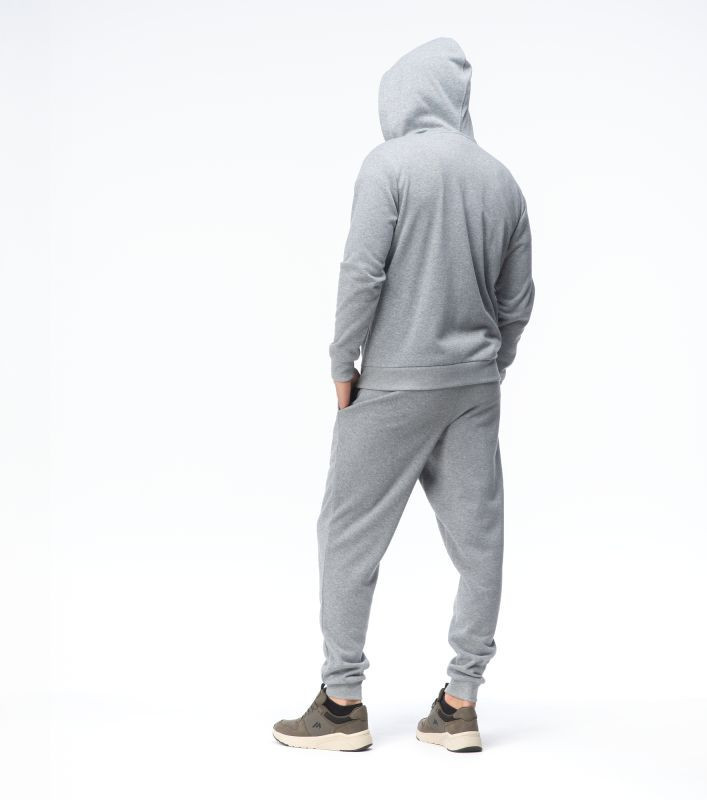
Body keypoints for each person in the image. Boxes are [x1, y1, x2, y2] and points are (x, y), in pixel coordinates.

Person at [273, 37, 534, 753]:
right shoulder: (502, 181)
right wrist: (492, 366)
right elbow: (518, 301)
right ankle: (460, 704)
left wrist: (343, 362)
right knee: (480, 546)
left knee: (347, 535)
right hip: (474, 387)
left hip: (393, 384)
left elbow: (362, 272)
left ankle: (341, 703)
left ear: (400, 98)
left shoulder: (387, 166)